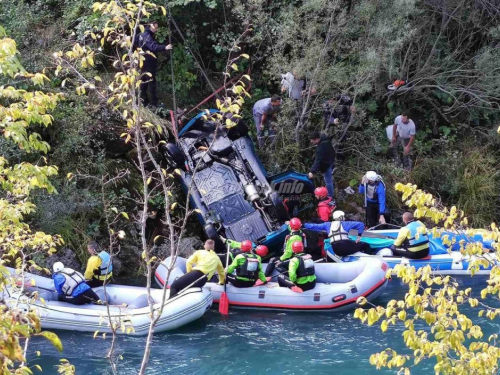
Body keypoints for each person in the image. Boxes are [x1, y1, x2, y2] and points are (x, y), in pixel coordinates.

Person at [304, 211, 374, 257]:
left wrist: (303, 224)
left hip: (336, 250)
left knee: (352, 244)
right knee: (365, 245)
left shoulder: (327, 225)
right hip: (345, 246)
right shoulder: (346, 224)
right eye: (343, 216)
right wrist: (359, 236)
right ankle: (370, 258)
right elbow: (361, 225)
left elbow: (314, 226)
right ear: (341, 217)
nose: (344, 218)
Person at [135, 21, 173, 107]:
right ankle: (153, 103)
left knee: (143, 81)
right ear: (150, 27)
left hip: (141, 61)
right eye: (155, 28)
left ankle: (143, 101)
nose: (156, 29)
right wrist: (165, 47)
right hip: (148, 62)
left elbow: (134, 42)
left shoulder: (141, 34)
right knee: (151, 82)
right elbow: (153, 46)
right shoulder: (147, 36)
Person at [308, 131, 335, 199]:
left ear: (317, 139)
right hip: (331, 159)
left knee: (328, 181)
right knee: (328, 178)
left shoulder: (320, 148)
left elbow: (318, 161)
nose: (311, 141)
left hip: (327, 164)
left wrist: (312, 172)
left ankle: (330, 196)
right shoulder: (324, 137)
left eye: (312, 140)